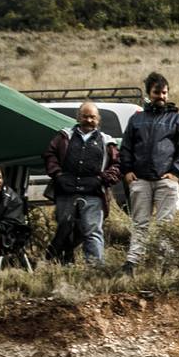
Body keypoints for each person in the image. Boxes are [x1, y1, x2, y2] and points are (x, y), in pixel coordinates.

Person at [121, 71, 179, 268]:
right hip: (140, 180)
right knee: (140, 223)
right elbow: (126, 147)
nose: (161, 96)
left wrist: (176, 173)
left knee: (164, 225)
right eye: (156, 92)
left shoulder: (177, 119)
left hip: (165, 181)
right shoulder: (137, 119)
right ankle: (132, 263)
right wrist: (127, 171)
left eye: (164, 93)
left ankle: (163, 264)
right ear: (148, 93)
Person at [44, 102, 121, 266]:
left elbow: (117, 165)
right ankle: (62, 265)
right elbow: (50, 155)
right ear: (78, 117)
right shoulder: (64, 136)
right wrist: (58, 175)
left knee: (92, 231)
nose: (88, 120)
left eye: (92, 117)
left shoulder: (107, 141)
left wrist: (103, 179)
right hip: (66, 191)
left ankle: (95, 270)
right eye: (85, 116)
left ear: (98, 119)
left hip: (93, 193)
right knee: (63, 228)